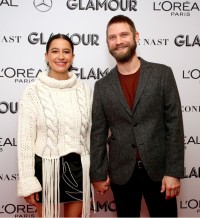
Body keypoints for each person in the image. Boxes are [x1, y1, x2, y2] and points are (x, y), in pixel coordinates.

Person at [90, 15, 184, 217]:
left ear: (136, 36)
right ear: (107, 43)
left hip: (160, 171)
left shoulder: (162, 74)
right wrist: (98, 173)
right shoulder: (102, 86)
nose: (118, 41)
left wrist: (173, 172)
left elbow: (174, 125)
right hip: (122, 173)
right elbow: (98, 133)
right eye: (112, 37)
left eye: (124, 34)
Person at [17, 34, 92, 218]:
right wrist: (28, 180)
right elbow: (25, 140)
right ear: (46, 56)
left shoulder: (85, 91)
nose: (61, 56)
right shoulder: (32, 92)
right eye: (55, 51)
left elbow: (91, 134)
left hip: (78, 167)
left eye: (66, 51)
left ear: (73, 57)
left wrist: (97, 170)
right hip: (45, 166)